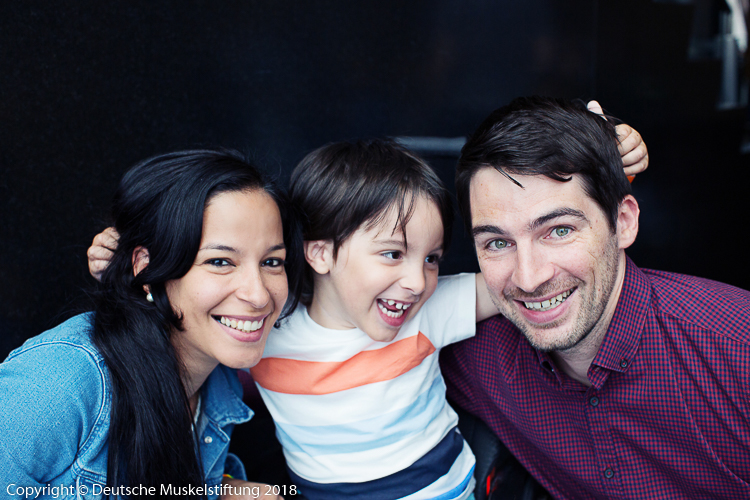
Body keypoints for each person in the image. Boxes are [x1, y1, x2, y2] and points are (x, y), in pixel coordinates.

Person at [85, 108, 647, 500]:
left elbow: (523, 281)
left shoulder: (431, 309)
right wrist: (131, 258)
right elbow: (185, 322)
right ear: (321, 253)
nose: (417, 280)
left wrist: (606, 166)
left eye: (431, 258)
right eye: (392, 254)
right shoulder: (267, 326)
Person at [441, 96, 750, 499]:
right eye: (498, 243)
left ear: (623, 222)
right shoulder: (477, 355)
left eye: (559, 230)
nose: (529, 278)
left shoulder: (736, 348)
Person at [0, 150, 298, 499]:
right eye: (220, 261)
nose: (259, 295)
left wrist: (224, 490)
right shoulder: (63, 379)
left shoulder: (218, 382)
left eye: (272, 262)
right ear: (146, 267)